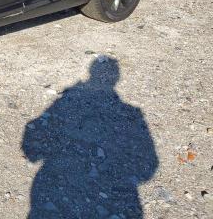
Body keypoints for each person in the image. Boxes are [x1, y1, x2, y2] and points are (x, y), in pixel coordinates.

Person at [22, 57, 158, 218]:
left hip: (49, 189)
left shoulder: (62, 103)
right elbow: (149, 167)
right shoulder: (132, 113)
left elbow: (30, 149)